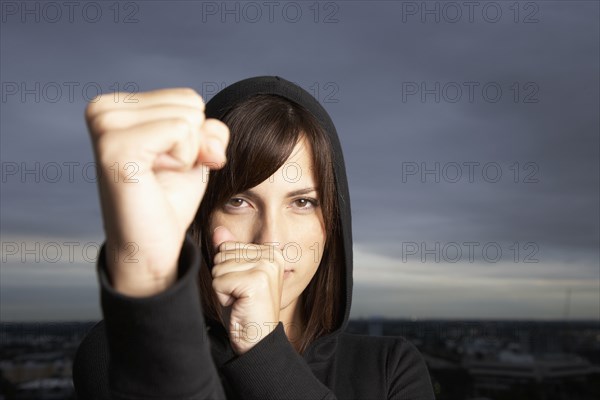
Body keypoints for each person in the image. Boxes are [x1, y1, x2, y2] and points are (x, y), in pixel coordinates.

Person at [72, 76, 435, 399]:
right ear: (201, 218)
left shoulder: (390, 368)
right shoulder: (120, 351)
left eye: (302, 202)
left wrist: (262, 346)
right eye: (239, 201)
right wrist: (152, 275)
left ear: (332, 222)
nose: (271, 240)